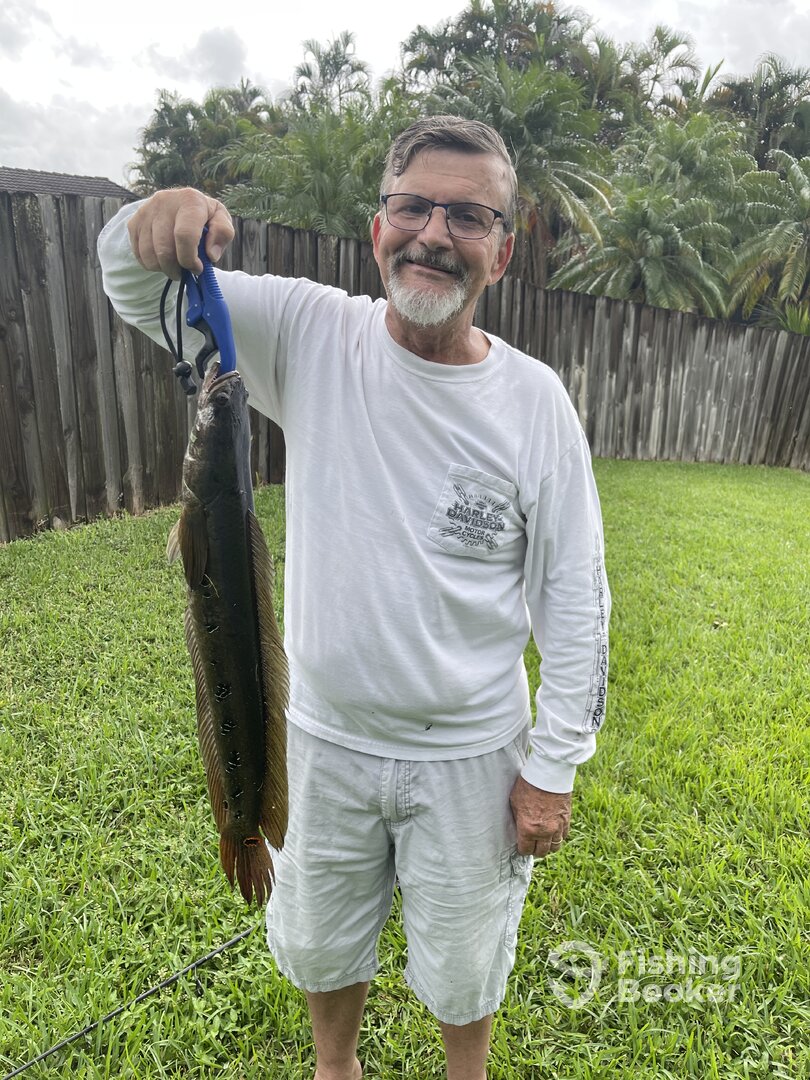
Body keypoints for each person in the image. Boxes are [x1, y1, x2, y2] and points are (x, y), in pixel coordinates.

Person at [98, 115, 610, 1080]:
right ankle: (337, 1071)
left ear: (501, 252)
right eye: (413, 207)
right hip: (320, 741)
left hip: (471, 757)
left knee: (465, 966)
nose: (435, 234)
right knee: (324, 944)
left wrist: (554, 767)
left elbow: (576, 600)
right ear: (378, 230)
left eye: (468, 217)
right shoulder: (309, 332)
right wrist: (152, 220)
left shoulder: (535, 401)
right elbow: (136, 287)